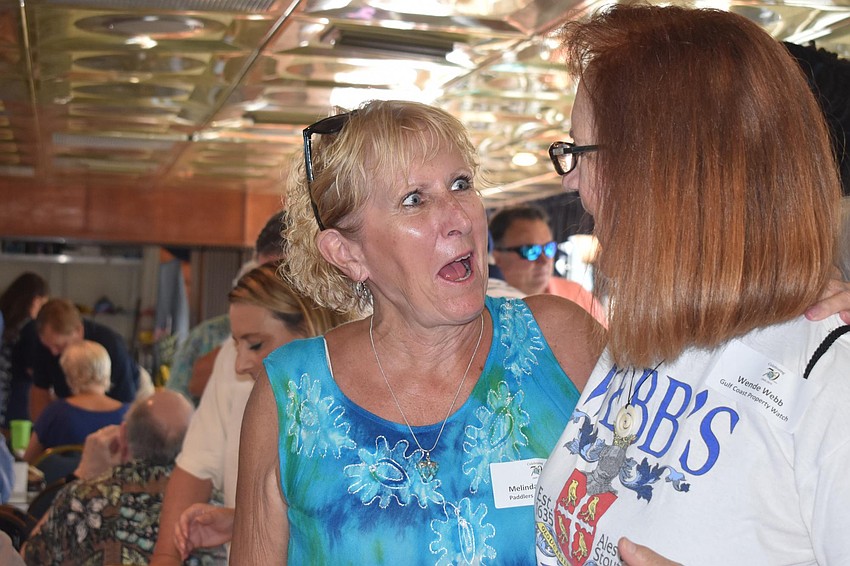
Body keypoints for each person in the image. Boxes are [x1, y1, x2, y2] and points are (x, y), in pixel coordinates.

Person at [533, 6, 850, 565]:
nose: (572, 181)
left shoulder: (829, 373)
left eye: (580, 154)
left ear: (665, 170)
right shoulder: (647, 339)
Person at [229, 99, 605, 564]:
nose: (460, 217)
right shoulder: (290, 394)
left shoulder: (559, 341)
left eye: (461, 184)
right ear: (348, 254)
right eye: (415, 199)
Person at [150, 263, 352, 565]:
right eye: (236, 346)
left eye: (256, 345)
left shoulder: (359, 405)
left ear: (309, 330)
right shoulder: (253, 387)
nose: (239, 365)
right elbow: (195, 467)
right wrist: (235, 522)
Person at [21, 389, 225, 565]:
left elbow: (27, 558)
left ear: (123, 436)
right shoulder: (217, 509)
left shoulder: (82, 497)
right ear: (194, 442)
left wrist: (83, 475)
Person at [166, 210, 288, 402]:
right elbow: (175, 400)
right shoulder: (209, 338)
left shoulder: (334, 339)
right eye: (262, 277)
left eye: (281, 279)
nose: (268, 290)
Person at [18, 297, 139, 422]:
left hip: (127, 392)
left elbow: (126, 404)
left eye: (60, 346)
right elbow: (39, 390)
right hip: (73, 393)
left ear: (78, 330)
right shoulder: (46, 346)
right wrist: (42, 431)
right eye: (49, 346)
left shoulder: (111, 345)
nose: (53, 352)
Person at [489, 204, 606, 324]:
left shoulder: (577, 296)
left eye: (549, 248)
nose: (544, 260)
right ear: (496, 257)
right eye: (531, 251)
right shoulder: (488, 311)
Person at [22, 340, 129, 463]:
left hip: (64, 482)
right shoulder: (128, 415)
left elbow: (29, 462)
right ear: (107, 370)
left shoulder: (55, 413)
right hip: (112, 482)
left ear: (69, 374)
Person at [0, 272, 49, 429]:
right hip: (17, 401)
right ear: (36, 301)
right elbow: (33, 369)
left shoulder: (6, 320)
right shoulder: (30, 328)